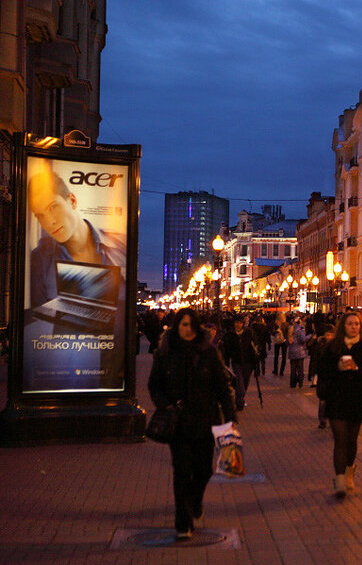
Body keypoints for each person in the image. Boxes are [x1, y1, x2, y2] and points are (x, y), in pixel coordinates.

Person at [147, 308, 237, 539]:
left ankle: (195, 501)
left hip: (205, 420)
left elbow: (222, 388)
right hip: (178, 422)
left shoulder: (208, 353)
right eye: (183, 325)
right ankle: (183, 522)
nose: (187, 329)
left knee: (203, 470)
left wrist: (230, 418)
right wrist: (165, 404)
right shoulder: (165, 352)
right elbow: (154, 385)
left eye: (191, 325)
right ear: (177, 326)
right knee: (181, 471)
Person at [27, 170, 126, 309]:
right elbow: (39, 318)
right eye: (40, 216)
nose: (49, 222)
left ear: (72, 201)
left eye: (53, 207)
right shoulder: (40, 258)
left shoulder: (121, 244)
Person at [316, 313, 362, 498]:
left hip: (356, 399)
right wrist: (337, 368)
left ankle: (349, 471)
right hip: (336, 399)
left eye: (357, 324)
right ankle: (340, 479)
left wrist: (357, 369)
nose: (354, 327)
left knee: (351, 440)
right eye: (350, 324)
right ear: (343, 326)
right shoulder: (333, 346)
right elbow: (322, 370)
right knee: (340, 440)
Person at [221, 315, 257, 411]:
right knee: (239, 382)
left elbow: (254, 346)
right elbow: (227, 350)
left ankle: (240, 398)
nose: (238, 325)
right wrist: (226, 362)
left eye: (240, 323)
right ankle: (239, 402)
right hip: (236, 361)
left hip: (248, 362)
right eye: (236, 322)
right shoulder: (230, 335)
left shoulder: (249, 333)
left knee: (245, 382)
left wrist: (256, 359)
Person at [287, 317, 310, 388]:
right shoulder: (301, 329)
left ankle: (292, 383)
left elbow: (288, 341)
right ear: (300, 322)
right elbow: (303, 339)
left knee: (293, 369)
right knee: (300, 368)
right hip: (300, 351)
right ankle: (300, 382)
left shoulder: (290, 328)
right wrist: (310, 336)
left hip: (292, 351)